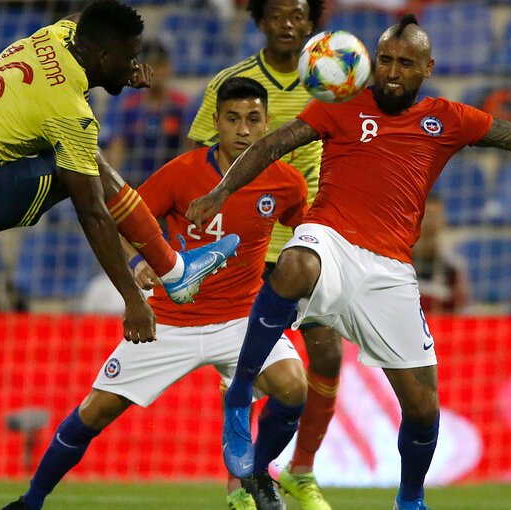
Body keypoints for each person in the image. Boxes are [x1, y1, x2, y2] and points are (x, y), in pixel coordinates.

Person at [187, 14, 511, 510]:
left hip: (390, 272)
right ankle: (242, 394)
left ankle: (410, 500)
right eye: (386, 61)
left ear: (428, 68)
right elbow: (273, 143)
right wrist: (223, 189)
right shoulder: (341, 104)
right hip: (328, 239)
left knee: (423, 411)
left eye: (405, 64)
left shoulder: (449, 118)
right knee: (296, 265)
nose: (392, 72)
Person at [0, 2, 239, 509]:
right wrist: (132, 297)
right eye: (128, 57)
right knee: (80, 169)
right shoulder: (71, 112)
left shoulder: (57, 34)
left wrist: (120, 73)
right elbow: (93, 214)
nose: (134, 65)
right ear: (100, 55)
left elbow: (83, 42)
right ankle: (173, 269)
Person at [3, 77, 308, 510]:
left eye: (253, 120)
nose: (243, 129)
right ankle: (30, 500)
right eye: (233, 119)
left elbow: (304, 230)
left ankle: (256, 471)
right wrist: (136, 262)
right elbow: (126, 221)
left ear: (267, 125)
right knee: (94, 412)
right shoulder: (183, 173)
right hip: (171, 322)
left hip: (243, 321)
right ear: (216, 123)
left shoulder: (286, 182)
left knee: (295, 388)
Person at [188, 3, 341, 507]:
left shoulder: (334, 81)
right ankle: (240, 486)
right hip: (248, 247)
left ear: (313, 19)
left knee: (328, 358)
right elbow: (200, 166)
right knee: (248, 372)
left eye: (299, 13)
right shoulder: (231, 82)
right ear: (259, 19)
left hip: (311, 242)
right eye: (277, 13)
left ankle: (301, 471)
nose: (289, 23)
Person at [104, 39, 190, 187]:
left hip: (171, 184)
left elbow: (188, 149)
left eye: (160, 66)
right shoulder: (128, 106)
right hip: (135, 183)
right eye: (150, 67)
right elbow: (117, 149)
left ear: (169, 67)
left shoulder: (182, 106)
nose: (156, 72)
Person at [413, 195, 468, 314]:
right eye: (426, 215)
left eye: (435, 216)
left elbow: (462, 311)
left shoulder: (454, 265)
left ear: (443, 221)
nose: (430, 222)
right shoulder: (399, 262)